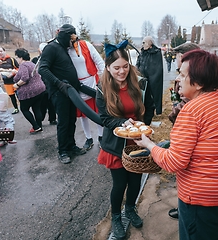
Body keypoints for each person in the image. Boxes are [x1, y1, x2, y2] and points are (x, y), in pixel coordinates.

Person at [134, 49, 218, 240]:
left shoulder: (192, 111)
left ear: (199, 83)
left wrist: (148, 144)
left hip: (204, 199)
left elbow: (173, 163)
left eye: (182, 74)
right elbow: (210, 142)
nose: (177, 79)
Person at [96, 40, 155, 239]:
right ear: (108, 68)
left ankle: (130, 209)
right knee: (119, 184)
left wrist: (142, 129)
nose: (122, 72)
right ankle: (115, 217)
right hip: (116, 145)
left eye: (125, 67)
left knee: (135, 180)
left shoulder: (140, 83)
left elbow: (149, 108)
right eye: (116, 68)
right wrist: (123, 123)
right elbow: (104, 118)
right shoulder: (102, 88)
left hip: (138, 142)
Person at [38, 24, 86, 164]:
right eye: (71, 39)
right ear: (65, 36)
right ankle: (63, 151)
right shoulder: (51, 48)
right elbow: (43, 69)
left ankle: (71, 146)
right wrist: (58, 83)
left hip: (70, 91)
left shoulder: (63, 48)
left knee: (72, 119)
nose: (72, 43)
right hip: (59, 92)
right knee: (63, 122)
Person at [167, 42, 200, 220]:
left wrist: (151, 147)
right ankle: (183, 206)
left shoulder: (192, 109)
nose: (177, 60)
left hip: (201, 193)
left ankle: (185, 208)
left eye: (179, 56)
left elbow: (175, 161)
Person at [69, 36, 104, 150]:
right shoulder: (64, 49)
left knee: (98, 112)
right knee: (83, 115)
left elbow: (99, 62)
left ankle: (101, 136)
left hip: (92, 81)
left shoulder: (86, 45)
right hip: (77, 85)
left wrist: (104, 80)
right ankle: (88, 138)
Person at [13, 48, 45, 134]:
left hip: (29, 92)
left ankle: (35, 126)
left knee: (24, 109)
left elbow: (25, 78)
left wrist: (17, 85)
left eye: (16, 57)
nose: (16, 59)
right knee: (36, 108)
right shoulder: (31, 63)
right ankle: (39, 126)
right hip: (40, 89)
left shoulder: (23, 65)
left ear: (21, 57)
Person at [136, 36, 164, 115]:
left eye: (144, 42)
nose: (142, 44)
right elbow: (138, 63)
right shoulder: (142, 53)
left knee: (153, 94)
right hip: (142, 78)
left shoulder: (156, 53)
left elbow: (156, 67)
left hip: (153, 78)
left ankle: (155, 109)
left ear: (150, 43)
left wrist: (152, 77)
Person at [32, 42, 57, 125]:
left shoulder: (52, 59)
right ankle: (40, 119)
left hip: (49, 83)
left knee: (51, 103)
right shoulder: (36, 60)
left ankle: (52, 119)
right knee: (42, 104)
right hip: (40, 84)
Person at [0, 46, 20, 114]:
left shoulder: (11, 59)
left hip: (15, 81)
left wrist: (12, 73)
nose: (0, 53)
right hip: (6, 82)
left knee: (19, 95)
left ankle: (24, 106)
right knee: (11, 96)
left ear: (4, 51)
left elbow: (18, 68)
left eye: (1, 51)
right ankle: (16, 108)